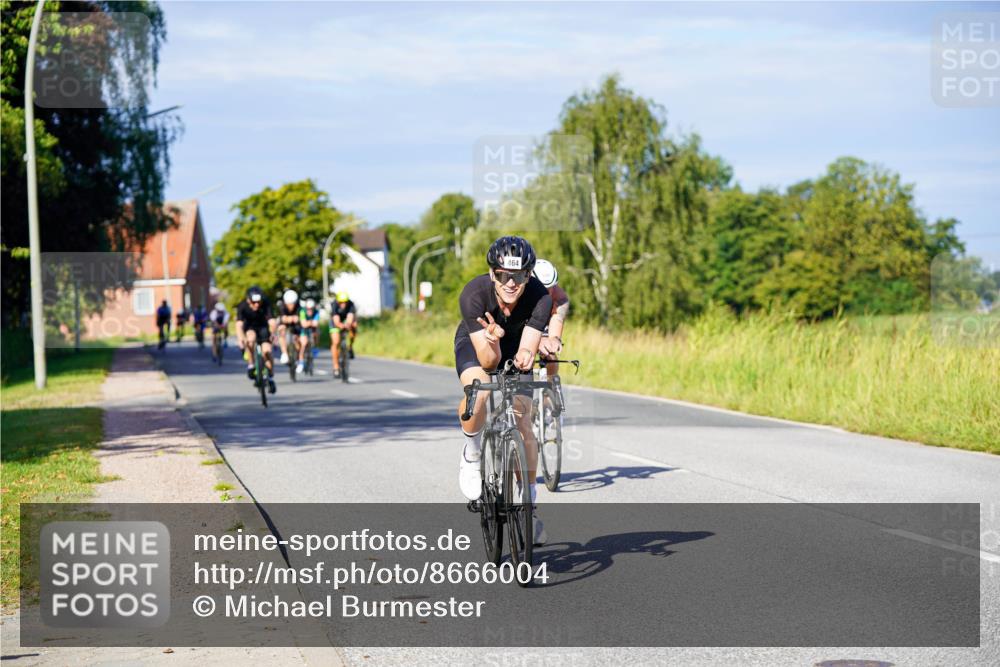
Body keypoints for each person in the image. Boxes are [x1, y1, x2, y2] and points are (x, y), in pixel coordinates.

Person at [454, 236, 551, 545]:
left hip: (515, 342)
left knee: (524, 417)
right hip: (479, 343)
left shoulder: (540, 297)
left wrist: (525, 358)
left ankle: (529, 503)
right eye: (503, 275)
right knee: (479, 392)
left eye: (520, 275)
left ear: (529, 274)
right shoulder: (474, 295)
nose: (511, 283)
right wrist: (492, 342)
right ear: (492, 273)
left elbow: (525, 355)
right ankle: (472, 453)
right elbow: (488, 361)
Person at [532, 259, 570, 376]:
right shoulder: (519, 292)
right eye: (542, 287)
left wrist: (554, 339)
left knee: (551, 357)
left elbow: (557, 318)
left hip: (546, 321)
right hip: (526, 320)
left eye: (550, 287)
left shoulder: (560, 298)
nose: (547, 291)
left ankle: (550, 387)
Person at [235, 286, 276, 394]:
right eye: (254, 302)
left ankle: (270, 377)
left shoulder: (266, 303)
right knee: (250, 339)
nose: (257, 305)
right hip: (250, 328)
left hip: (263, 328)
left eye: (259, 302)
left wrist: (272, 333)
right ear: (249, 300)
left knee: (267, 351)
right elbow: (239, 325)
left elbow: (272, 321)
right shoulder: (243, 305)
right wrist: (240, 339)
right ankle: (251, 364)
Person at [330, 290, 357, 379]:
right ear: (338, 302)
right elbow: (336, 320)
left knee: (354, 326)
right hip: (336, 321)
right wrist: (340, 325)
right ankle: (336, 367)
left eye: (345, 302)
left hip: (346, 319)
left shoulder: (351, 304)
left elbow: (350, 317)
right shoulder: (334, 305)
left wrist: (348, 324)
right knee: (336, 341)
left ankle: (350, 346)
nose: (343, 304)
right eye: (341, 303)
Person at [276, 289, 305, 371]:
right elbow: (282, 318)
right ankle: (284, 353)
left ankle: (298, 358)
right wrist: (288, 319)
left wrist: (297, 319)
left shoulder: (299, 306)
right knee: (281, 330)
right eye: (288, 304)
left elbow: (300, 317)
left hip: (296, 324)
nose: (290, 306)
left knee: (298, 340)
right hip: (285, 323)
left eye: (292, 304)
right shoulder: (282, 306)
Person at [299, 298, 321, 363]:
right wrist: (311, 322)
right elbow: (303, 324)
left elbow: (316, 324)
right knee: (304, 344)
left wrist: (309, 323)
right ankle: (301, 362)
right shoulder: (302, 311)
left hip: (313, 329)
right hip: (304, 329)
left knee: (317, 332)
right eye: (308, 309)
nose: (310, 311)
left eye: (311, 309)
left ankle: (315, 346)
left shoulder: (316, 312)